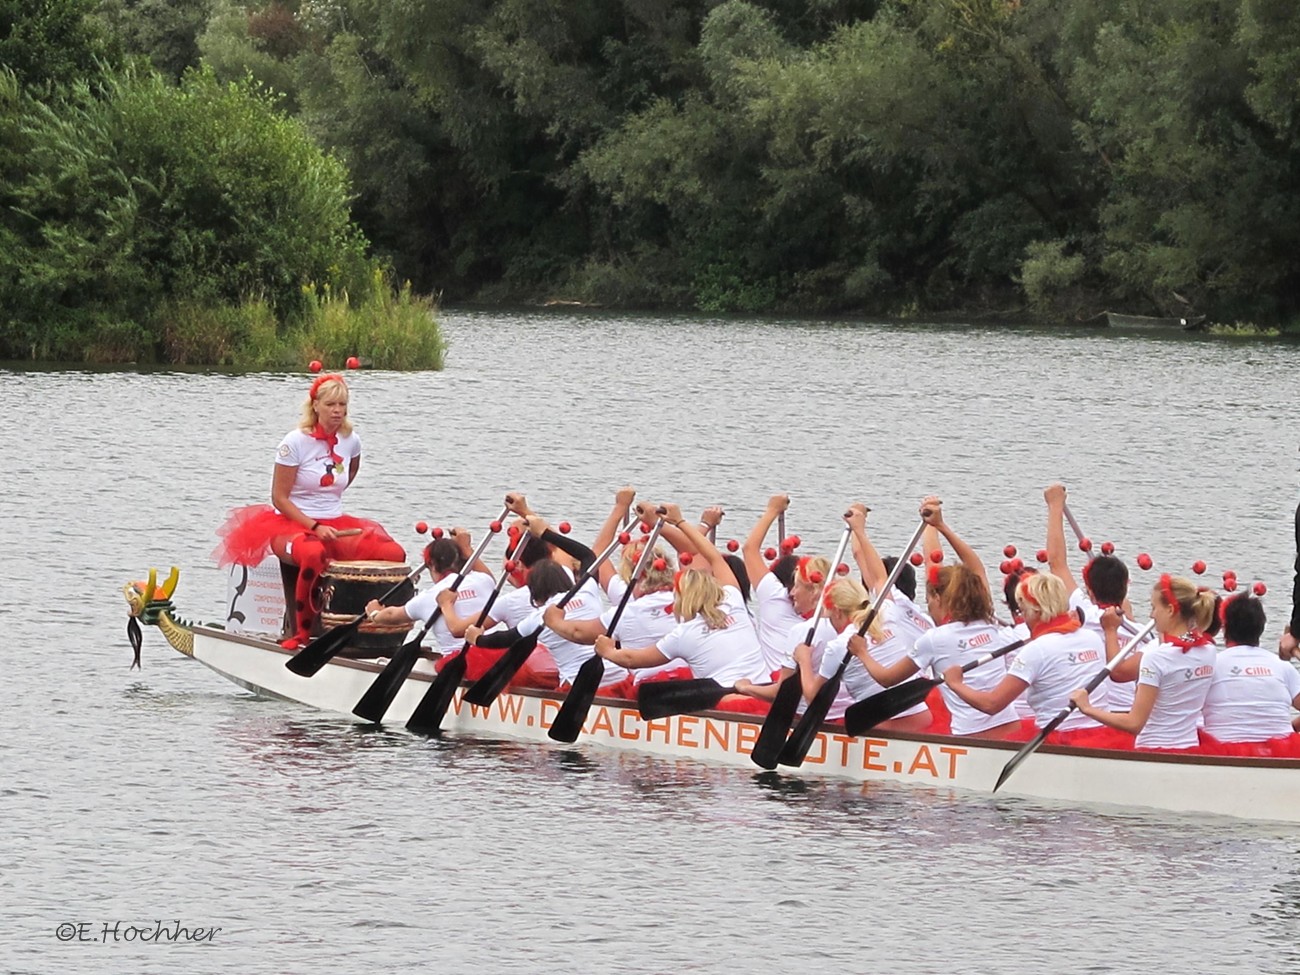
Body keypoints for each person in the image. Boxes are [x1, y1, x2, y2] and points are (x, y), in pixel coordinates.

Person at [213, 373, 405, 648]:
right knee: (314, 553)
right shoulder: (295, 442)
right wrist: (314, 526)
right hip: (290, 523)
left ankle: (374, 627)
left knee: (393, 553)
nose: (337, 411)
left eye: (342, 405)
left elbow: (348, 476)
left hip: (335, 521)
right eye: (330, 405)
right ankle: (301, 634)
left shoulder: (351, 441)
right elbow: (279, 498)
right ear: (315, 405)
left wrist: (327, 515)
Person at [854, 497, 1022, 739]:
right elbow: (976, 568)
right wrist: (939, 525)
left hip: (972, 738)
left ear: (941, 600)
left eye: (931, 596)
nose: (928, 601)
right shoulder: (990, 621)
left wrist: (862, 653)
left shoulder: (934, 638)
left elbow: (887, 679)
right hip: (1012, 730)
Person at [593, 502, 769, 713]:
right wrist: (680, 522)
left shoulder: (684, 634)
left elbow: (633, 659)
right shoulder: (733, 600)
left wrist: (608, 652)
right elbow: (712, 556)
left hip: (732, 706)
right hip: (766, 696)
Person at [943, 572, 1131, 747]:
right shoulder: (1092, 637)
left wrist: (956, 683)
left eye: (1024, 610)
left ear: (1037, 612)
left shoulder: (1036, 650)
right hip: (1101, 734)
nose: (1023, 617)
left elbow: (992, 704)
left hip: (1060, 739)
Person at [1070, 574, 1219, 753]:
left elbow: (1134, 723)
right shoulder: (1208, 650)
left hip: (1154, 748)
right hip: (1190, 746)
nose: (1151, 615)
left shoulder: (1155, 657)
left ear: (1170, 610)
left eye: (1154, 607)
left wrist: (1087, 708)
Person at [363, 531, 495, 660]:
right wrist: (467, 548)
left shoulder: (429, 597)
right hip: (496, 654)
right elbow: (483, 570)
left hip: (459, 663)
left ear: (431, 564)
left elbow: (391, 616)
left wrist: (374, 612)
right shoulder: (483, 580)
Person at [1199, 593, 1300, 757]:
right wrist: (1292, 729)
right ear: (1261, 628)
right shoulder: (1283, 667)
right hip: (1282, 753)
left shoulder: (1209, 665)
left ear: (1225, 628)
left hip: (1222, 752)